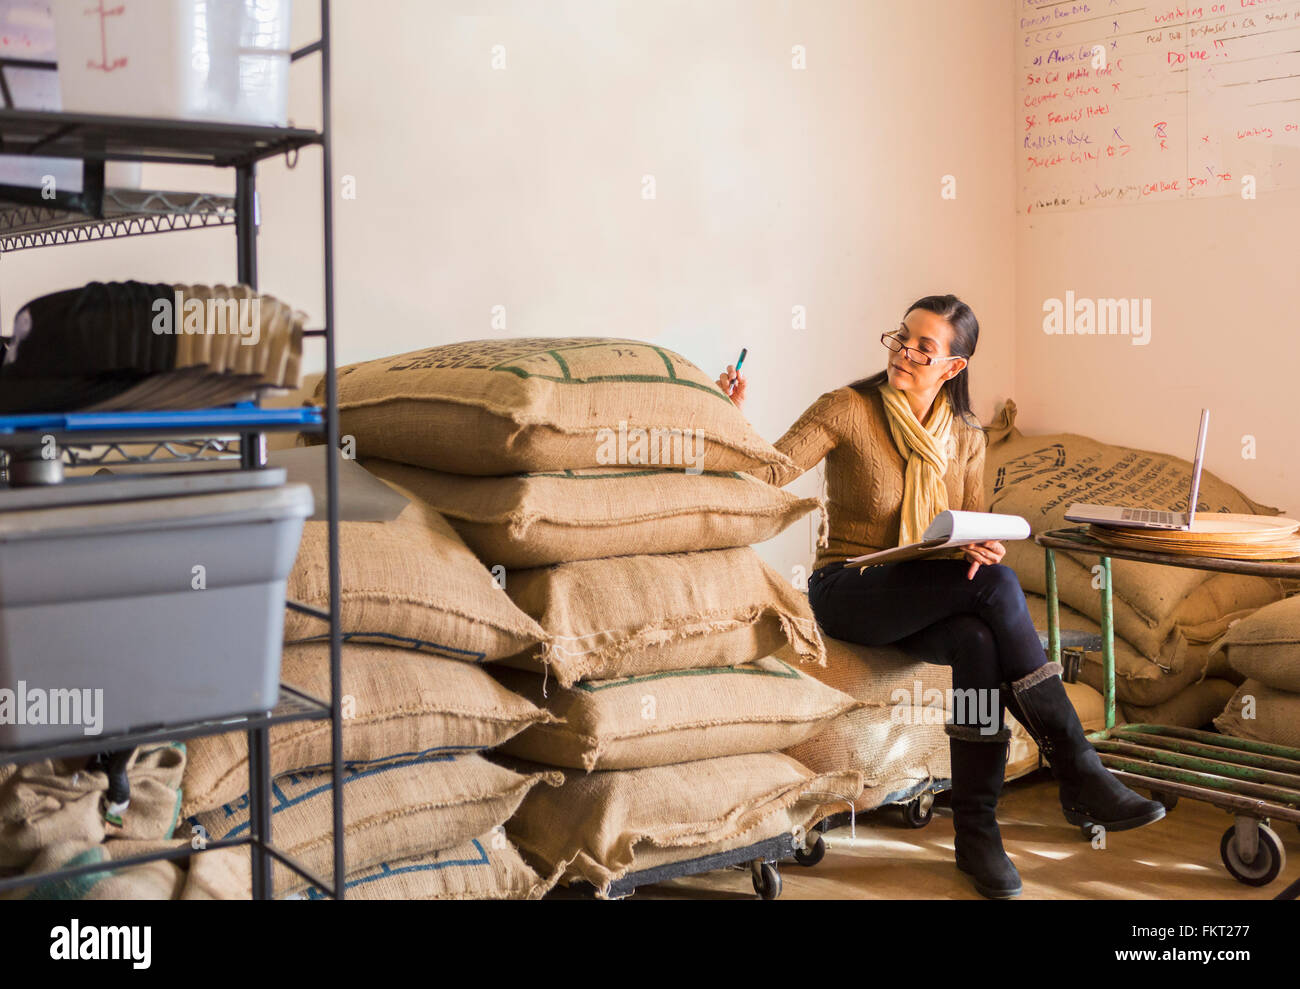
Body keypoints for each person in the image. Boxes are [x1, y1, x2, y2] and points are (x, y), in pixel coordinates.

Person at [717, 294, 1165, 899]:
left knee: (978, 639)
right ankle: (1077, 765)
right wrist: (728, 414)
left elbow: (970, 528)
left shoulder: (966, 437)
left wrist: (981, 547)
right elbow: (768, 473)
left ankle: (977, 833)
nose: (905, 352)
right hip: (850, 588)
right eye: (902, 338)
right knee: (999, 591)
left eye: (924, 348)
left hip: (925, 590)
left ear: (953, 368)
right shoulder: (846, 409)